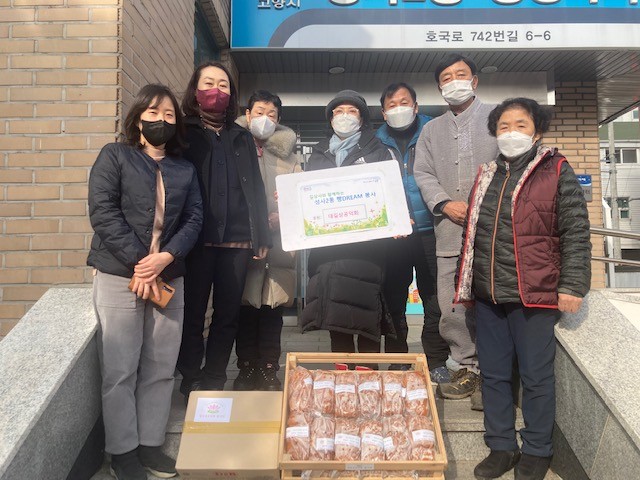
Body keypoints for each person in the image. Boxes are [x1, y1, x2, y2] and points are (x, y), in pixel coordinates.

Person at [456, 97, 591, 480]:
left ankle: (537, 449)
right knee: (494, 375)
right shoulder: (487, 174)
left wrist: (572, 284)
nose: (511, 132)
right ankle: (501, 446)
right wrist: (467, 284)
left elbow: (576, 231)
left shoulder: (556, 170)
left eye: (520, 125)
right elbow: (473, 235)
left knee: (535, 377)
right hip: (489, 295)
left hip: (535, 294)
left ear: (537, 131)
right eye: (504, 126)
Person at [88, 84, 203, 480]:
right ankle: (122, 453)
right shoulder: (115, 156)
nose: (161, 121)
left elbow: (194, 218)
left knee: (161, 365)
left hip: (168, 276)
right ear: (137, 118)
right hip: (120, 275)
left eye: (169, 115)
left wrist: (166, 257)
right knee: (120, 368)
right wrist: (142, 264)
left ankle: (152, 445)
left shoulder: (184, 169)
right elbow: (102, 211)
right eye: (153, 113)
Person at [177, 62, 271, 398]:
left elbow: (256, 188)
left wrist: (261, 235)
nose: (216, 90)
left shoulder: (241, 136)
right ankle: (190, 376)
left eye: (223, 85)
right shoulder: (183, 132)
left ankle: (215, 377)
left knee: (227, 315)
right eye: (208, 83)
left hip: (238, 241)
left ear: (231, 95)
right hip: (196, 241)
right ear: (195, 89)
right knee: (192, 313)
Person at [414, 54, 498, 408]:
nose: (454, 82)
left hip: (493, 233)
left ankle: (494, 376)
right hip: (449, 232)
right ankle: (466, 368)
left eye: (460, 75)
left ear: (474, 80)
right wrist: (444, 203)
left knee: (491, 304)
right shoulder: (431, 130)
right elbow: (422, 173)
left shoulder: (497, 117)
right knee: (452, 308)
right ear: (439, 88)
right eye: (446, 78)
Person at [300, 90, 395, 357]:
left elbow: (392, 193)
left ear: (362, 118)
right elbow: (306, 196)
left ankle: (367, 376)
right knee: (336, 318)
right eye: (338, 111)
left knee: (366, 316)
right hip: (328, 253)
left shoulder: (379, 151)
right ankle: (341, 376)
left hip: (367, 253)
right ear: (330, 118)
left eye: (352, 111)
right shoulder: (318, 153)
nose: (345, 116)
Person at [376, 82, 450, 382]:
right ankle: (398, 360)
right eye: (391, 105)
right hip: (395, 234)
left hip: (433, 228)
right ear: (383, 112)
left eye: (404, 103)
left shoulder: (435, 133)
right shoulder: (375, 142)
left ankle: (436, 360)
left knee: (436, 296)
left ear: (416, 107)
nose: (399, 109)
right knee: (393, 297)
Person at [233, 90, 301, 391]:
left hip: (279, 245)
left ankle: (269, 368)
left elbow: (300, 196)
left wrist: (282, 214)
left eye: (271, 114)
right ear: (247, 114)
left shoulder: (290, 157)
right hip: (243, 242)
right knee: (245, 307)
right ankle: (246, 367)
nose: (265, 119)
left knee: (273, 309)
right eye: (259, 112)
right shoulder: (234, 147)